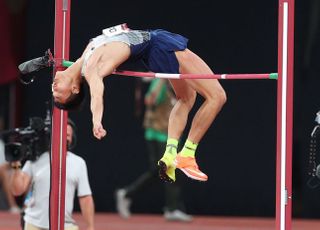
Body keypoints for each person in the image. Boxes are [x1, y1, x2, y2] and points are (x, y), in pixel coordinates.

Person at [52, 23, 227, 183]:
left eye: (53, 92)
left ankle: (170, 153)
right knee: (217, 96)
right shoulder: (92, 69)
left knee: (186, 98)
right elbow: (97, 94)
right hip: (161, 46)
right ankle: (188, 153)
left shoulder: (84, 57)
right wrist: (96, 120)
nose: (54, 89)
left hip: (154, 51)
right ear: (75, 89)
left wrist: (43, 62)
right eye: (59, 95)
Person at [116, 78, 192, 221]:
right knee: (168, 169)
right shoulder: (160, 82)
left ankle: (128, 194)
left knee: (161, 171)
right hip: (158, 134)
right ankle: (171, 209)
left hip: (172, 136)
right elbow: (150, 101)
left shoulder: (176, 84)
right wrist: (162, 79)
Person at [10, 119, 95, 230]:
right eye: (62, 134)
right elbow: (17, 190)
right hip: (34, 223)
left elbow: (85, 198)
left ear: (72, 139)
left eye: (68, 135)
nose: (65, 137)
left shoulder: (78, 163)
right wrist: (16, 165)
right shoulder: (36, 159)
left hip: (66, 225)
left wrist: (90, 226)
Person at [0, 116, 21, 213]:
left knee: (22, 171)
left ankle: (27, 207)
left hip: (4, 170)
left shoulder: (1, 143)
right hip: (2, 172)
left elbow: (5, 162)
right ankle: (13, 206)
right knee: (4, 171)